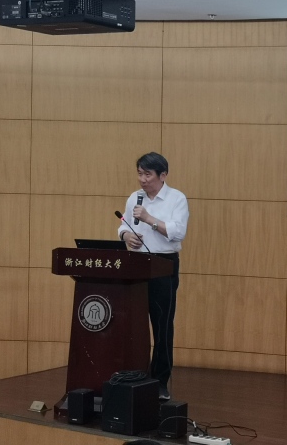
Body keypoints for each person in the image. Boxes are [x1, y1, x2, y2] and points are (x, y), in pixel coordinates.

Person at [118, 152, 189, 401]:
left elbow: (178, 232)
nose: (143, 179)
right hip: (137, 265)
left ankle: (160, 381)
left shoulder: (176, 199)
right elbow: (123, 225)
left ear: (163, 175)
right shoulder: (134, 198)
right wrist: (126, 236)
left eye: (148, 174)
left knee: (162, 325)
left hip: (163, 266)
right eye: (140, 173)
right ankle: (134, 376)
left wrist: (148, 219)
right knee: (134, 325)